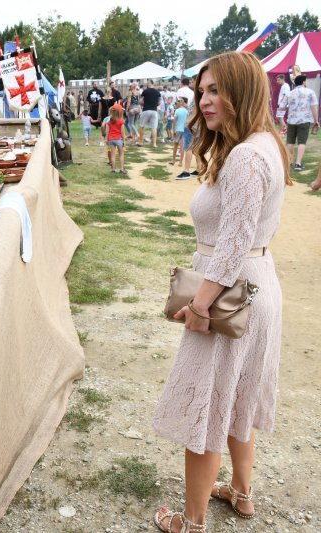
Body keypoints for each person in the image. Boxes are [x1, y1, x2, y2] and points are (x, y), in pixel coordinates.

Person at [152, 51, 292, 533]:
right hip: (257, 285)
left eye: (215, 90)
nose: (204, 101)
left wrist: (199, 305)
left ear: (242, 91)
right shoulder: (264, 144)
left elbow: (230, 247)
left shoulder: (247, 158)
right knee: (238, 396)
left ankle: (190, 523)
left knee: (206, 408)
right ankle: (242, 492)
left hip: (231, 294)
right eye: (202, 91)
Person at [284, 75, 319, 171]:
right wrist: (316, 121)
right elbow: (314, 108)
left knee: (290, 142)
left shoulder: (290, 93)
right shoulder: (310, 92)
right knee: (302, 142)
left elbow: (284, 106)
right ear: (303, 82)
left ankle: (289, 162)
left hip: (291, 120)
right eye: (305, 81)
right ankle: (298, 164)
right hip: (304, 120)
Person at [139, 79, 161, 147]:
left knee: (142, 126)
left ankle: (141, 142)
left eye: (147, 83)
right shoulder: (157, 92)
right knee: (154, 128)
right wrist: (154, 105)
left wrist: (143, 104)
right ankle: (154, 144)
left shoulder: (145, 91)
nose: (147, 84)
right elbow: (159, 102)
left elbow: (140, 101)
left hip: (146, 110)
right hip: (154, 111)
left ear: (149, 83)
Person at [106, 103, 126, 174]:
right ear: (120, 112)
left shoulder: (109, 121)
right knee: (121, 155)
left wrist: (107, 140)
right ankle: (121, 169)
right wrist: (124, 141)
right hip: (118, 140)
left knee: (113, 155)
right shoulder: (121, 121)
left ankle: (113, 169)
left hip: (111, 140)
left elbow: (107, 132)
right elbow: (123, 133)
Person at [171, 97, 189, 170]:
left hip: (178, 129)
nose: (177, 104)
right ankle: (180, 162)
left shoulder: (177, 110)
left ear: (179, 103)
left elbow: (174, 121)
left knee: (175, 145)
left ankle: (173, 160)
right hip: (184, 129)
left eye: (177, 102)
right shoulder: (186, 111)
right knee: (182, 146)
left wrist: (173, 130)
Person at [87, 81, 105, 146]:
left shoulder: (100, 91)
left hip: (98, 105)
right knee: (93, 116)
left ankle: (99, 125)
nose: (95, 85)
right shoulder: (90, 92)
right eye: (94, 84)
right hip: (93, 106)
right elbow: (88, 98)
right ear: (92, 85)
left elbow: (103, 97)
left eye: (96, 84)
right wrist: (90, 103)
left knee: (98, 115)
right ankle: (96, 125)